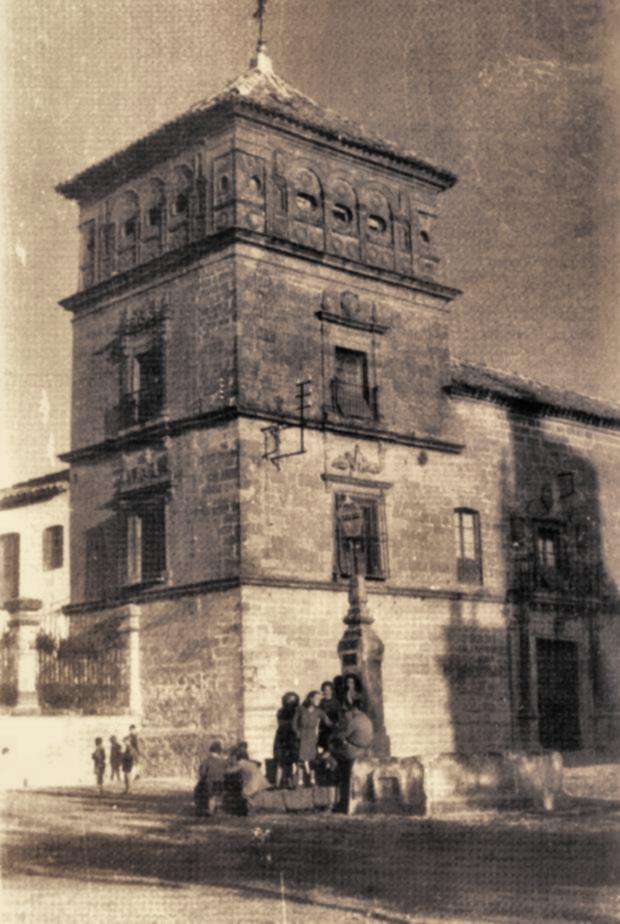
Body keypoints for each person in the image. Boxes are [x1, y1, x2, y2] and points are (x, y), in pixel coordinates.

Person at [329, 703, 374, 813]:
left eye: (347, 712)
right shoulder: (366, 719)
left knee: (331, 755)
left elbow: (342, 735)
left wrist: (333, 734)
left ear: (353, 710)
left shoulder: (355, 721)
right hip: (364, 751)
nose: (346, 715)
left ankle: (341, 801)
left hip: (353, 752)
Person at [293, 691, 325, 787]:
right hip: (302, 736)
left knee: (312, 760)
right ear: (310, 698)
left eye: (320, 699)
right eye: (316, 698)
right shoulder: (300, 709)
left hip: (312, 737)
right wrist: (297, 733)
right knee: (301, 760)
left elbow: (327, 722)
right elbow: (294, 724)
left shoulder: (319, 711)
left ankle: (312, 780)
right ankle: (300, 781)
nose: (318, 700)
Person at [273, 691, 300, 789]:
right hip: (287, 738)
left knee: (287, 762)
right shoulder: (284, 712)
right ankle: (287, 782)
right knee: (285, 762)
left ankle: (287, 782)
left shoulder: (282, 712)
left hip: (286, 738)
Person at [194, 740, 227, 817]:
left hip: (210, 782)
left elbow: (202, 773)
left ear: (211, 750)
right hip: (221, 782)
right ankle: (215, 808)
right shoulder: (223, 761)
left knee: (208, 794)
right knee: (216, 796)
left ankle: (209, 810)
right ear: (220, 751)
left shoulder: (207, 761)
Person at [318, 681, 341, 753]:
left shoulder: (336, 702)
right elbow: (319, 714)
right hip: (324, 726)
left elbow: (339, 714)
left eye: (328, 690)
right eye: (325, 690)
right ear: (322, 690)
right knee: (324, 745)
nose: (327, 692)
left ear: (331, 691)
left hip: (334, 726)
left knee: (332, 745)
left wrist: (336, 723)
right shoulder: (321, 702)